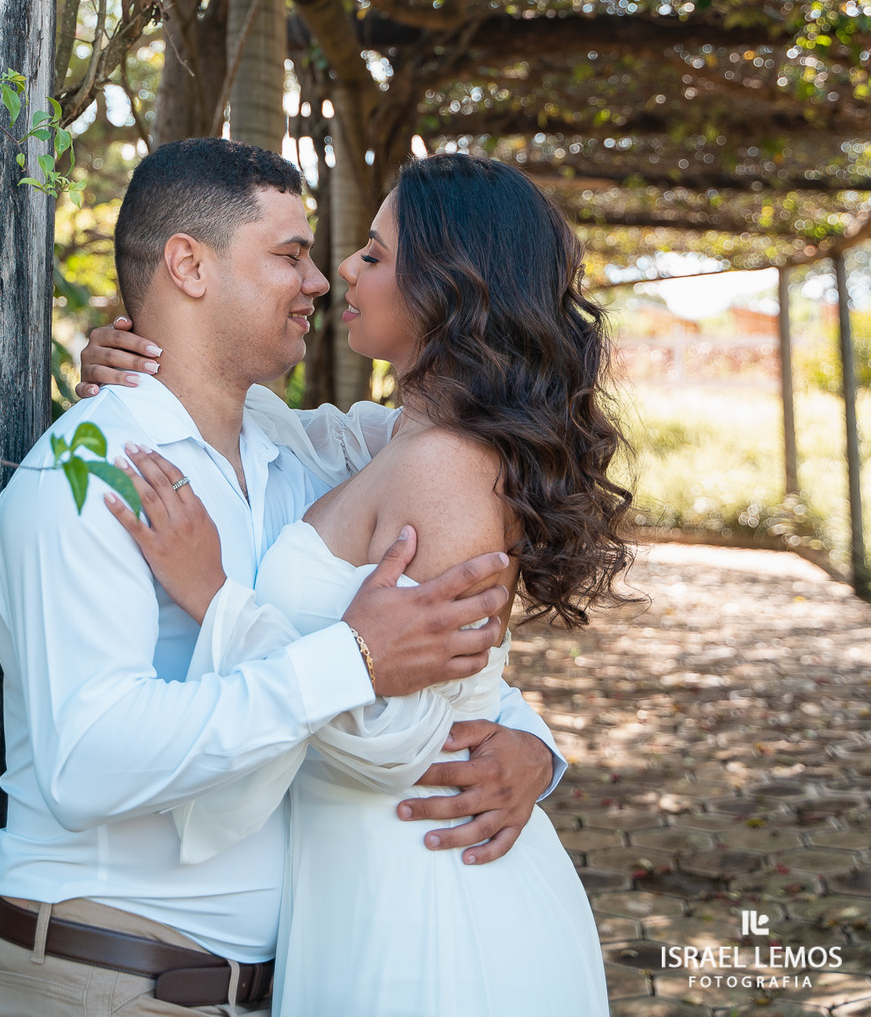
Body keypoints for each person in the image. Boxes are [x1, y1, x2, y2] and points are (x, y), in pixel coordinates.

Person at [0, 140, 563, 1017]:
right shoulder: (96, 473)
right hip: (104, 979)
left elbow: (433, 643)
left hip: (285, 982)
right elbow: (88, 759)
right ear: (188, 266)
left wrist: (534, 750)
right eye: (290, 255)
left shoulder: (299, 467)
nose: (322, 280)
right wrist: (348, 660)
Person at [95, 151, 630, 1016]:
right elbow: (245, 419)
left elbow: (399, 743)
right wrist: (137, 361)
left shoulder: (448, 469)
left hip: (427, 900)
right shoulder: (385, 442)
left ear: (447, 288)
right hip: (360, 882)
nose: (342, 267)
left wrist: (217, 597)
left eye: (375, 256)